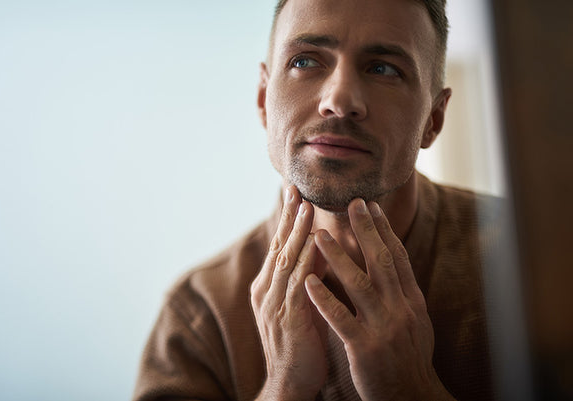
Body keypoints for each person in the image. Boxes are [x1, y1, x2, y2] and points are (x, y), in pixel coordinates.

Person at [133, 0, 500, 399]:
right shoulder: (199, 318)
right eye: (305, 62)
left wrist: (411, 389)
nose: (339, 100)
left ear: (433, 119)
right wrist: (284, 386)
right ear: (262, 100)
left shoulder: (541, 262)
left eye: (383, 68)